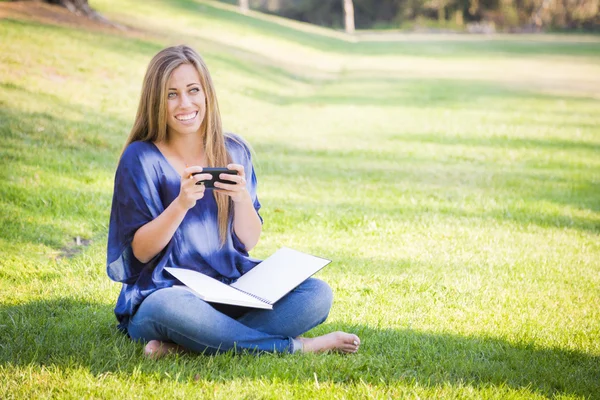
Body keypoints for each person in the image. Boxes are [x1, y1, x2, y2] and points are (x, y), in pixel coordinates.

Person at [106, 45, 360, 358]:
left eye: (193, 90)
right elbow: (139, 252)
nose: (185, 103)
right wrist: (180, 204)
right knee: (170, 307)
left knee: (317, 293)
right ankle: (298, 347)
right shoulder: (140, 158)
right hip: (166, 295)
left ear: (207, 93)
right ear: (156, 100)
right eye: (171, 94)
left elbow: (249, 239)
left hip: (231, 292)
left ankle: (190, 346)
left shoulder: (234, 150)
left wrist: (240, 197)